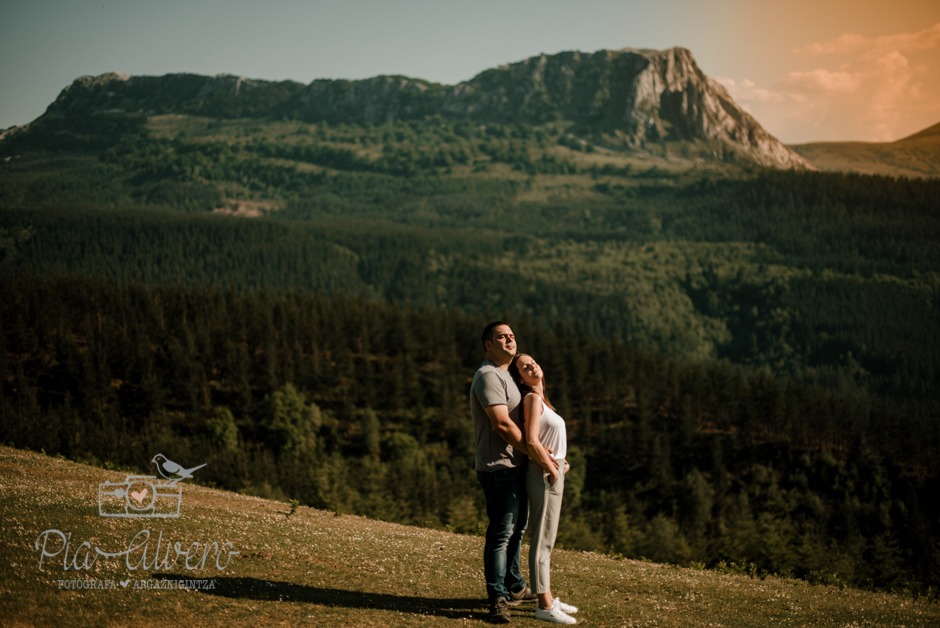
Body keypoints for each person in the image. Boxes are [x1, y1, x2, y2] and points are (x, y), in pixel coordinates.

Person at [470, 322, 555, 623]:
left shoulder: (506, 375)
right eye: (501, 337)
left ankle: (514, 585)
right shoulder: (488, 376)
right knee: (501, 533)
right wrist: (537, 454)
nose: (509, 339)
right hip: (498, 468)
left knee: (516, 531)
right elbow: (502, 425)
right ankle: (497, 598)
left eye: (512, 336)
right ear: (488, 345)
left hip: (515, 466)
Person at [509, 353, 579, 625]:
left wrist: (563, 465)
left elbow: (549, 441)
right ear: (520, 378)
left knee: (546, 539)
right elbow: (531, 440)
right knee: (542, 541)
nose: (531, 365)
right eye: (523, 366)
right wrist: (552, 471)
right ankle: (543, 605)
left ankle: (547, 596)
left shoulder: (542, 400)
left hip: (551, 471)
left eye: (532, 361)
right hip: (543, 474)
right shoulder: (532, 399)